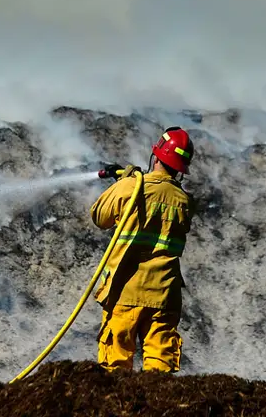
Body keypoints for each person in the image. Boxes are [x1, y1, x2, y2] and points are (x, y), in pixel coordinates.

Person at [90, 126, 194, 373]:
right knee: (160, 368)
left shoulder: (130, 188)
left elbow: (99, 216)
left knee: (115, 366)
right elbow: (163, 197)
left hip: (125, 292)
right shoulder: (186, 202)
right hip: (164, 296)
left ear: (156, 156)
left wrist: (125, 182)